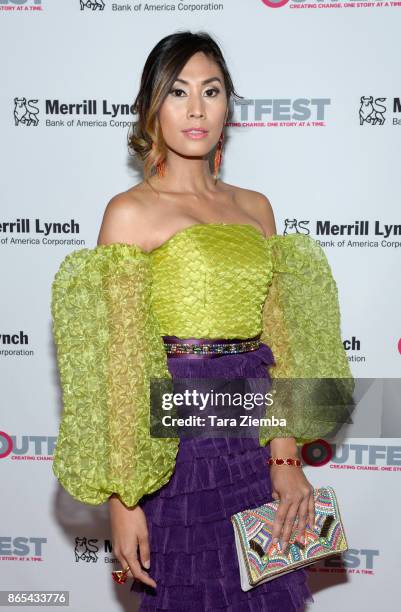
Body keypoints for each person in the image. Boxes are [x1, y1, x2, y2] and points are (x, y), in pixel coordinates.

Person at [51, 31, 353, 611]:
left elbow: (278, 342)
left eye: (211, 91)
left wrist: (285, 459)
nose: (196, 109)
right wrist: (123, 499)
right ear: (152, 107)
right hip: (176, 444)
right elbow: (119, 368)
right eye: (178, 92)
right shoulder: (129, 212)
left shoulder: (254, 207)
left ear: (227, 106)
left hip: (253, 433)